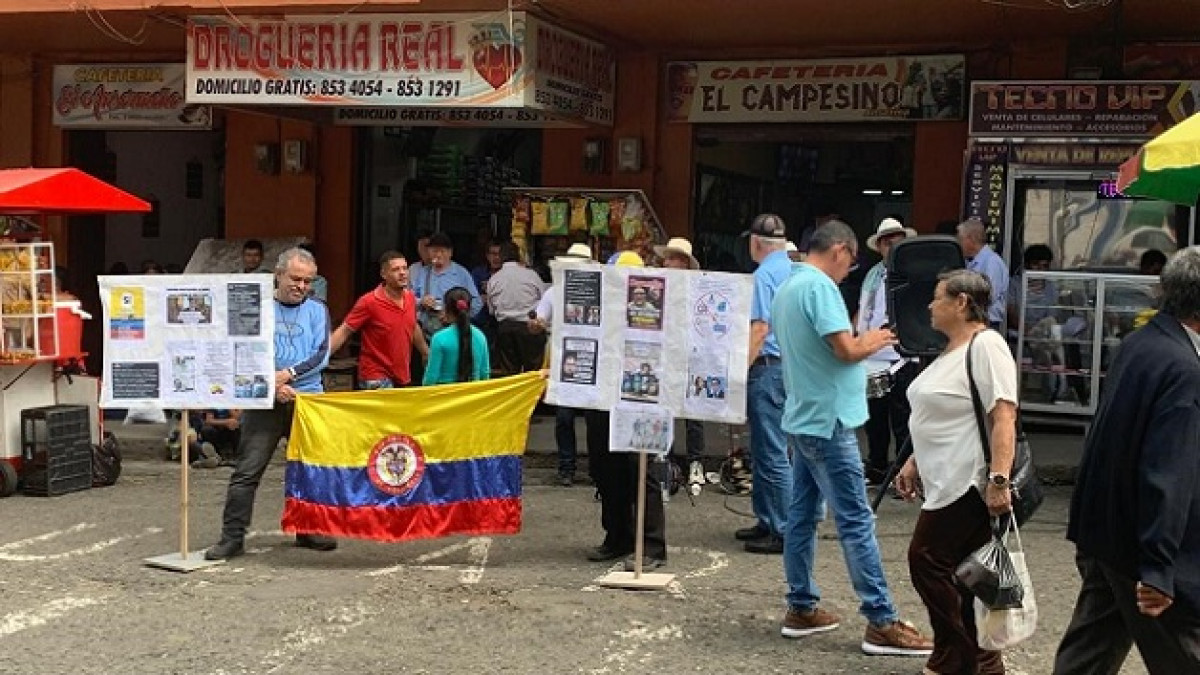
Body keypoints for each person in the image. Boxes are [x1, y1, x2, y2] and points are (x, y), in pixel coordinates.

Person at [771, 220, 933, 656]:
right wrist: (875, 338)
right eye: (851, 261)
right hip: (830, 420)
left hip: (805, 416)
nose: (850, 269)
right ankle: (881, 620)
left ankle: (801, 606)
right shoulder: (820, 288)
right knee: (856, 521)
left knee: (803, 516)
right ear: (840, 250)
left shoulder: (788, 285)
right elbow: (845, 349)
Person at [1054, 247, 1200, 673]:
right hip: (1143, 543)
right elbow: (1168, 471)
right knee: (1182, 654)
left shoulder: (1144, 342)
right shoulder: (1183, 368)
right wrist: (1159, 566)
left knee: (1090, 651)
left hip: (1108, 532)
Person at [895, 270, 1017, 675]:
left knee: (927, 560)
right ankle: (982, 660)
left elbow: (1003, 417)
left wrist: (999, 480)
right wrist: (914, 459)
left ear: (961, 302)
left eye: (937, 297)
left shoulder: (987, 345)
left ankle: (956, 657)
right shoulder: (951, 349)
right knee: (969, 576)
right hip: (943, 477)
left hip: (968, 480)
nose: (930, 306)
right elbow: (939, 412)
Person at [205, 246, 335, 560]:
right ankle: (232, 537)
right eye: (295, 279)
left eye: (308, 281)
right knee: (247, 471)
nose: (301, 286)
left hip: (307, 400)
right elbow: (240, 350)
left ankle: (308, 529)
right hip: (263, 400)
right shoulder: (257, 307)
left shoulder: (318, 309)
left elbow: (322, 354)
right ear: (278, 275)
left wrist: (286, 376)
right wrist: (269, 384)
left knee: (309, 470)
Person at [586, 251, 667, 572]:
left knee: (642, 471)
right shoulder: (601, 307)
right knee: (606, 469)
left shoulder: (658, 309)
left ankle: (652, 545)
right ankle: (617, 535)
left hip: (643, 399)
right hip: (602, 396)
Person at [739, 213, 793, 554]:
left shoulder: (762, 277)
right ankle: (768, 519)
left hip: (768, 366)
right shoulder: (794, 269)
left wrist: (739, 371)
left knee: (770, 450)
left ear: (756, 243)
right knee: (774, 448)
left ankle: (782, 527)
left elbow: (759, 330)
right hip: (789, 366)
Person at [858, 218, 919, 487]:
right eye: (886, 241)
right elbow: (865, 308)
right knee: (874, 418)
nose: (891, 246)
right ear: (880, 246)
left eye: (897, 241)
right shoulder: (873, 274)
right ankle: (877, 467)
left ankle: (901, 473)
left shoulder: (912, 273)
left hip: (901, 355)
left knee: (903, 419)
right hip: (872, 353)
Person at [530, 242, 594, 487]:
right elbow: (539, 319)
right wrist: (537, 324)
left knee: (592, 417)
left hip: (589, 357)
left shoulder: (596, 292)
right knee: (564, 417)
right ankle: (567, 466)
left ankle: (593, 467)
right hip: (562, 358)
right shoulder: (553, 293)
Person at [652, 236, 707, 488]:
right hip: (665, 352)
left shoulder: (697, 289)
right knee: (667, 407)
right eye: (667, 257)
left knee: (693, 408)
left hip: (690, 352)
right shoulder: (658, 286)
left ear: (684, 262)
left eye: (672, 257)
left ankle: (696, 462)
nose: (667, 261)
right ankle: (668, 460)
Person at [329, 250, 427, 389]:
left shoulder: (410, 298)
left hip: (401, 373)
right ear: (383, 274)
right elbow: (345, 330)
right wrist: (320, 359)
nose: (402, 273)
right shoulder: (369, 302)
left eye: (405, 268)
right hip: (375, 375)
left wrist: (425, 352)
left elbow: (413, 325)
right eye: (396, 269)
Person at [487, 241, 547, 375]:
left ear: (502, 257)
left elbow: (491, 310)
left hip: (505, 329)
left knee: (509, 373)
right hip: (530, 328)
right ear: (519, 256)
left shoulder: (494, 279)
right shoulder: (531, 275)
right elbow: (544, 300)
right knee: (533, 372)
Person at [411, 232, 481, 342]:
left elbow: (477, 303)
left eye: (442, 251)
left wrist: (457, 317)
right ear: (429, 252)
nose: (438, 255)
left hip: (453, 333)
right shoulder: (423, 273)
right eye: (434, 251)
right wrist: (422, 302)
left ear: (450, 253)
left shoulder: (461, 273)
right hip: (427, 334)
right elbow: (409, 300)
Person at [423, 287, 489, 385]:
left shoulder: (439, 338)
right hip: (473, 396)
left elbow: (431, 378)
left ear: (446, 309)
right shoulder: (480, 337)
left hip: (445, 397)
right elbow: (485, 374)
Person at [956, 219, 1008, 330]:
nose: (959, 244)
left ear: (971, 239)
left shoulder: (991, 262)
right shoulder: (970, 261)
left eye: (960, 239)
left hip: (986, 321)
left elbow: (989, 295)